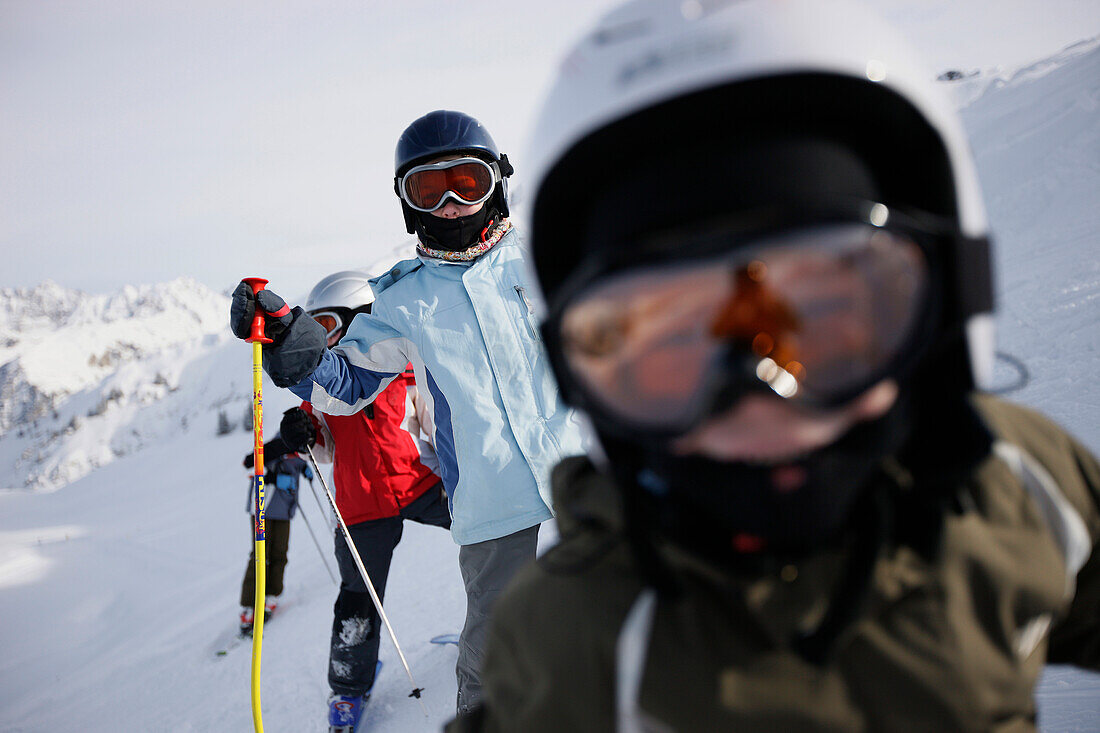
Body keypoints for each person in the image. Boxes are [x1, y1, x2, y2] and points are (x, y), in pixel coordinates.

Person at [446, 1, 1100, 731]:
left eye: (818, 317)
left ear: (939, 311)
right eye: (668, 346)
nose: (761, 396)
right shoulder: (574, 633)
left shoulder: (1014, 486)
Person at [228, 110, 587, 713]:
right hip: (493, 510)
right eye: (429, 188)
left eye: (466, 183)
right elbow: (345, 386)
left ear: (495, 182)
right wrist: (292, 343)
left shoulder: (549, 256)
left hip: (591, 482)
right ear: (408, 200)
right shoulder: (401, 301)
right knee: (499, 664)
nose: (450, 203)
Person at [276, 270, 451, 731]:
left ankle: (512, 615)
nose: (325, 341)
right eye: (315, 331)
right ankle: (349, 689)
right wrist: (305, 434)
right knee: (357, 600)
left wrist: (461, 474)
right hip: (361, 505)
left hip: (421, 483)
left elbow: (433, 423)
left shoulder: (405, 368)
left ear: (362, 319)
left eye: (329, 326)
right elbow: (325, 448)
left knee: (487, 532)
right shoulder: (324, 389)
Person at [238, 434, 313, 635]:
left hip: (285, 509)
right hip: (263, 507)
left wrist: (305, 469)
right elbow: (250, 463)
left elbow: (298, 466)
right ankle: (249, 605)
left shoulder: (301, 448)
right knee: (260, 554)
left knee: (280, 552)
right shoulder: (277, 445)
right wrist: (273, 479)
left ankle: (271, 595)